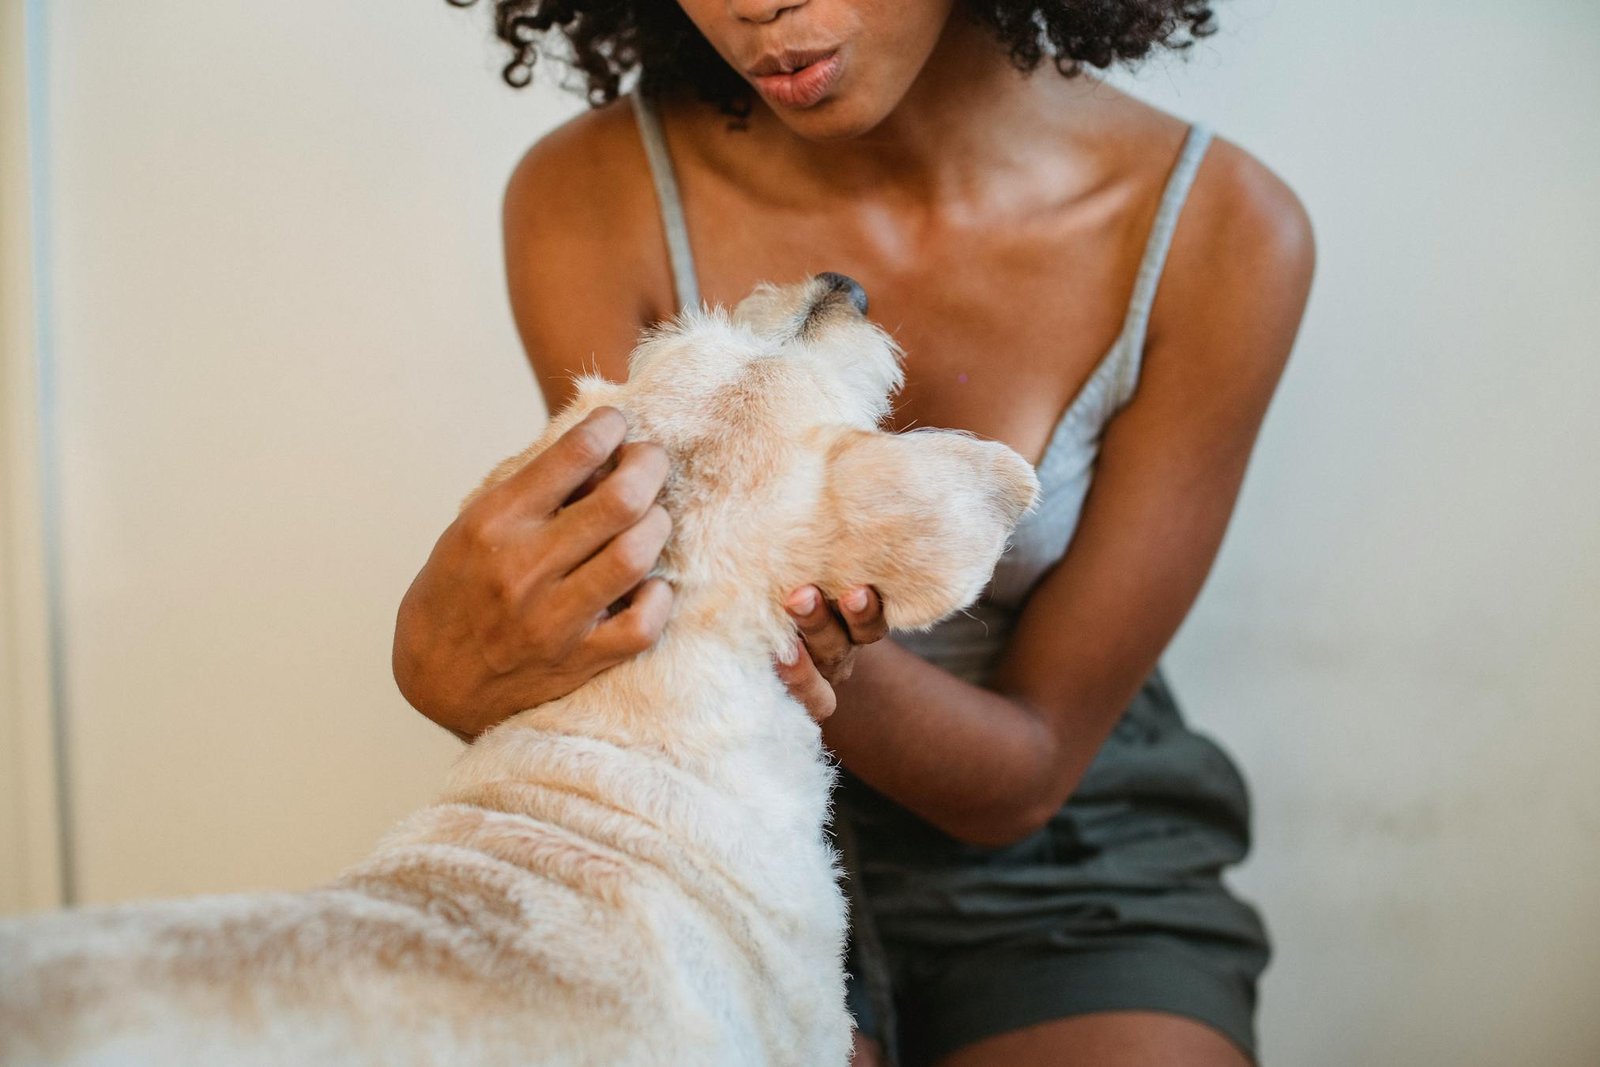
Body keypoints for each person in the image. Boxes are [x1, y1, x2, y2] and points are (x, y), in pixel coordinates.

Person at [396, 1, 1315, 1063]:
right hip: (699, 806)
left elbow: (1025, 774)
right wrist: (443, 662)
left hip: (1061, 858)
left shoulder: (1221, 233)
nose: (752, 6)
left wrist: (762, 622)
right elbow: (605, 655)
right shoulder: (591, 194)